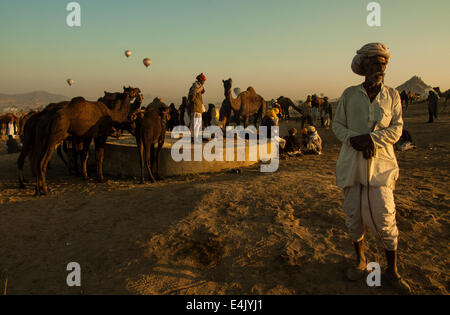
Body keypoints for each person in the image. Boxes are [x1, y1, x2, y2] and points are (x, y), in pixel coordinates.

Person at [332, 42, 411, 292]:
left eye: (384, 63)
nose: (381, 67)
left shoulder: (393, 96)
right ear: (364, 66)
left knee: (386, 217)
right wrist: (354, 140)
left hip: (382, 166)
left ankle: (392, 271)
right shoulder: (348, 94)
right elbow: (337, 125)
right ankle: (360, 261)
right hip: (352, 164)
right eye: (376, 63)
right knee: (353, 215)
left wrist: (372, 139)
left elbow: (397, 129)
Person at [188, 73, 207, 142]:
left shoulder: (199, 87)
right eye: (203, 80)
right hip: (195, 107)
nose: (204, 82)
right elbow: (192, 96)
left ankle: (195, 137)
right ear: (200, 80)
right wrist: (193, 103)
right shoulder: (196, 86)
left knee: (197, 124)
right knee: (195, 124)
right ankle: (193, 138)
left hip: (198, 108)